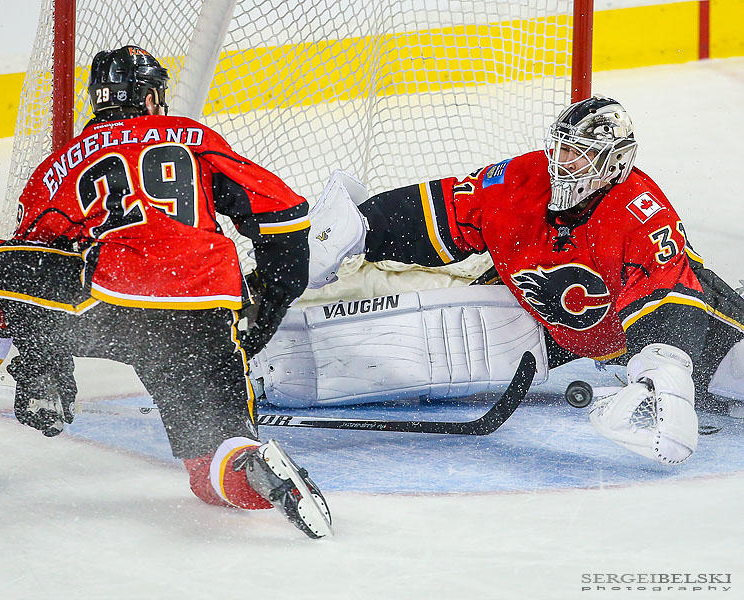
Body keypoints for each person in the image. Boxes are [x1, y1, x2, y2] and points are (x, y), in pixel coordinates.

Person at [0, 45, 332, 539]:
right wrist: (267, 307)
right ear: (150, 98)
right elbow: (286, 215)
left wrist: (42, 363)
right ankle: (256, 470)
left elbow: (33, 263)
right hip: (205, 313)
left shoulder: (64, 162)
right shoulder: (196, 138)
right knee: (212, 465)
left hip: (112, 306)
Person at [291, 94, 744, 465]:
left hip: (698, 330)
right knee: (442, 334)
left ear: (615, 162)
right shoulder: (521, 179)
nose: (563, 162)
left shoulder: (640, 210)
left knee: (731, 376)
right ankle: (286, 365)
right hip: (561, 325)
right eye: (561, 147)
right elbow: (445, 211)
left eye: (580, 154)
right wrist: (364, 226)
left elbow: (671, 294)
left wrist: (666, 369)